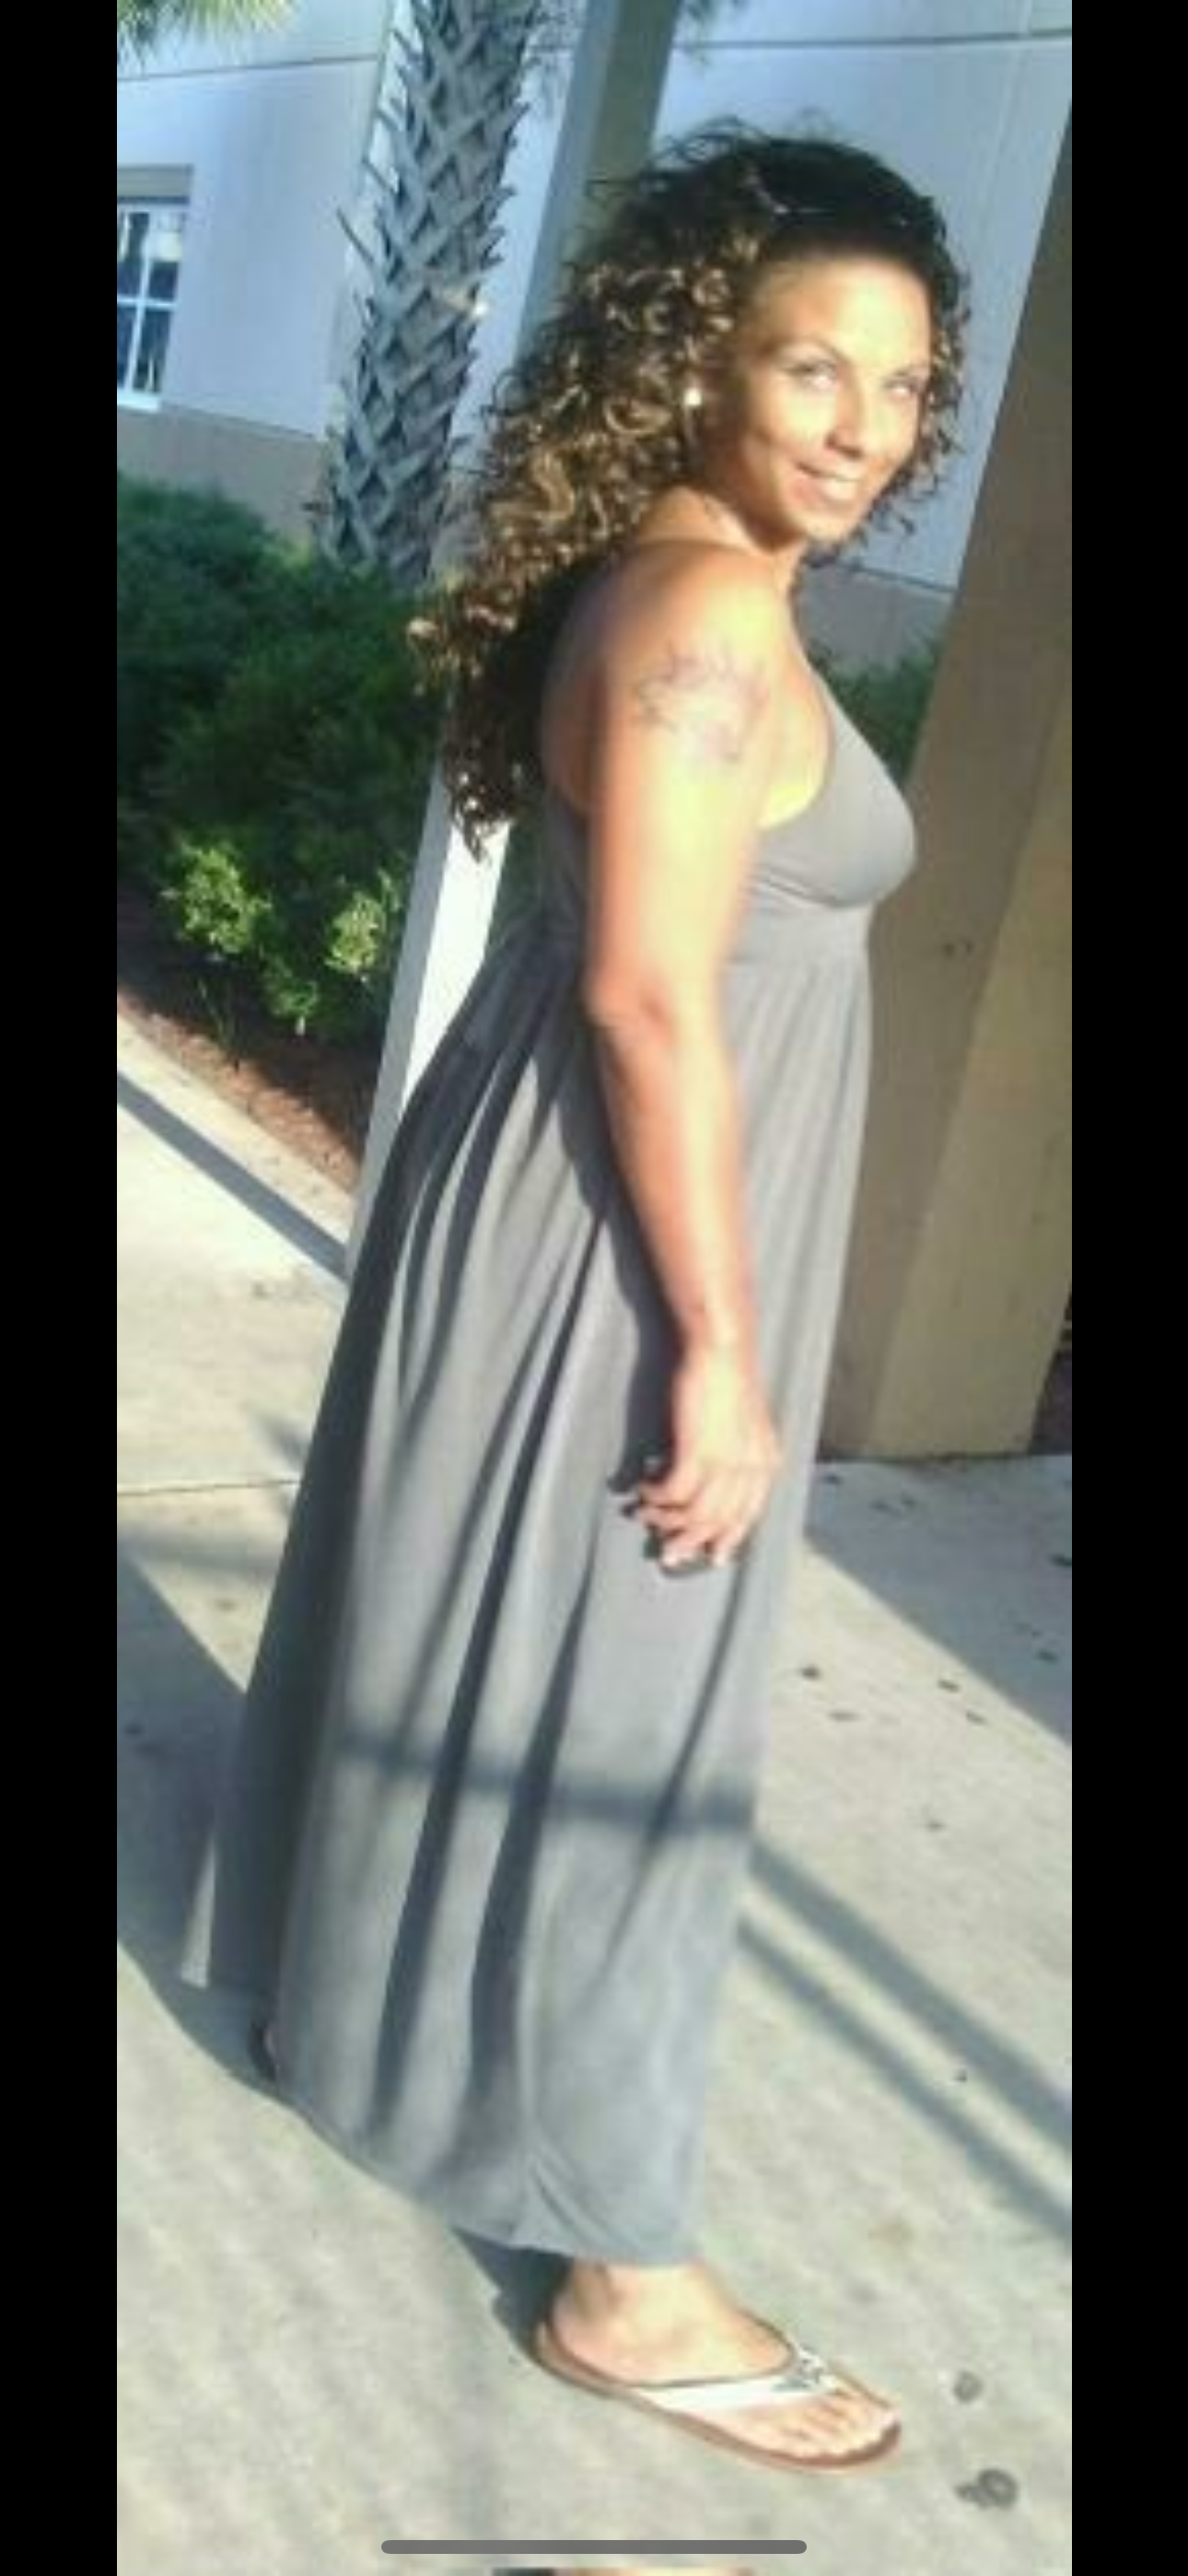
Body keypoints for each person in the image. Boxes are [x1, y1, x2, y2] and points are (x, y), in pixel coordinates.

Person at [185, 123, 968, 2476]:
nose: (862, 423)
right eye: (811, 366)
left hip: (572, 1195)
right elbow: (647, 997)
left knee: (516, 1653)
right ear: (696, 361)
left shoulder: (687, 580)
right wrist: (723, 1350)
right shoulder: (706, 614)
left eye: (904, 384)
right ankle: (622, 2281)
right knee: (630, 1719)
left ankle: (377, 2026)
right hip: (619, 1241)